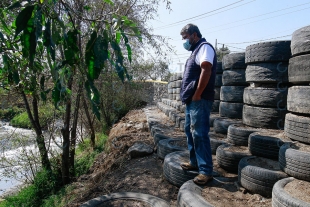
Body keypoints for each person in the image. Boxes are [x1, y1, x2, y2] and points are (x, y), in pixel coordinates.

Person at [179, 23, 217, 185]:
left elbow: (206, 70)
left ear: (194, 35)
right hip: (192, 100)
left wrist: (198, 94)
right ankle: (194, 162)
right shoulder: (195, 50)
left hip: (199, 99)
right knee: (190, 131)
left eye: (186, 37)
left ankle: (206, 171)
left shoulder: (204, 47)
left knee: (200, 134)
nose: (184, 41)